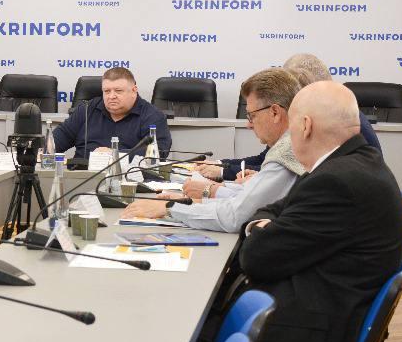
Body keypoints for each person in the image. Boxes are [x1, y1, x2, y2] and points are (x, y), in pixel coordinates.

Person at [192, 81, 402, 342]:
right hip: (314, 308)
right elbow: (271, 212)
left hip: (310, 334)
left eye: (292, 125)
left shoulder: (339, 181)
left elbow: (258, 257)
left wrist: (259, 231)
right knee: (196, 331)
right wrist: (262, 226)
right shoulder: (349, 165)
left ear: (304, 125)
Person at [125, 69, 304, 232]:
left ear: (275, 112)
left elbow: (235, 217)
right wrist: (189, 201)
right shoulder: (290, 145)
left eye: (252, 116)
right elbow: (243, 200)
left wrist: (169, 208)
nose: (249, 124)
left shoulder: (287, 154)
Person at [199, 53, 382, 182]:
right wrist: (221, 165)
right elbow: (273, 162)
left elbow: (289, 170)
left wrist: (223, 175)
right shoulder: (326, 115)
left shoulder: (331, 122)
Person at [51, 67, 172, 159]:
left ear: (134, 90)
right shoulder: (87, 109)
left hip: (128, 179)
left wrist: (115, 154)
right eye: (107, 91)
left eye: (118, 91)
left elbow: (159, 152)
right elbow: (57, 140)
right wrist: (45, 149)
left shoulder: (152, 116)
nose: (111, 96)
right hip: (81, 176)